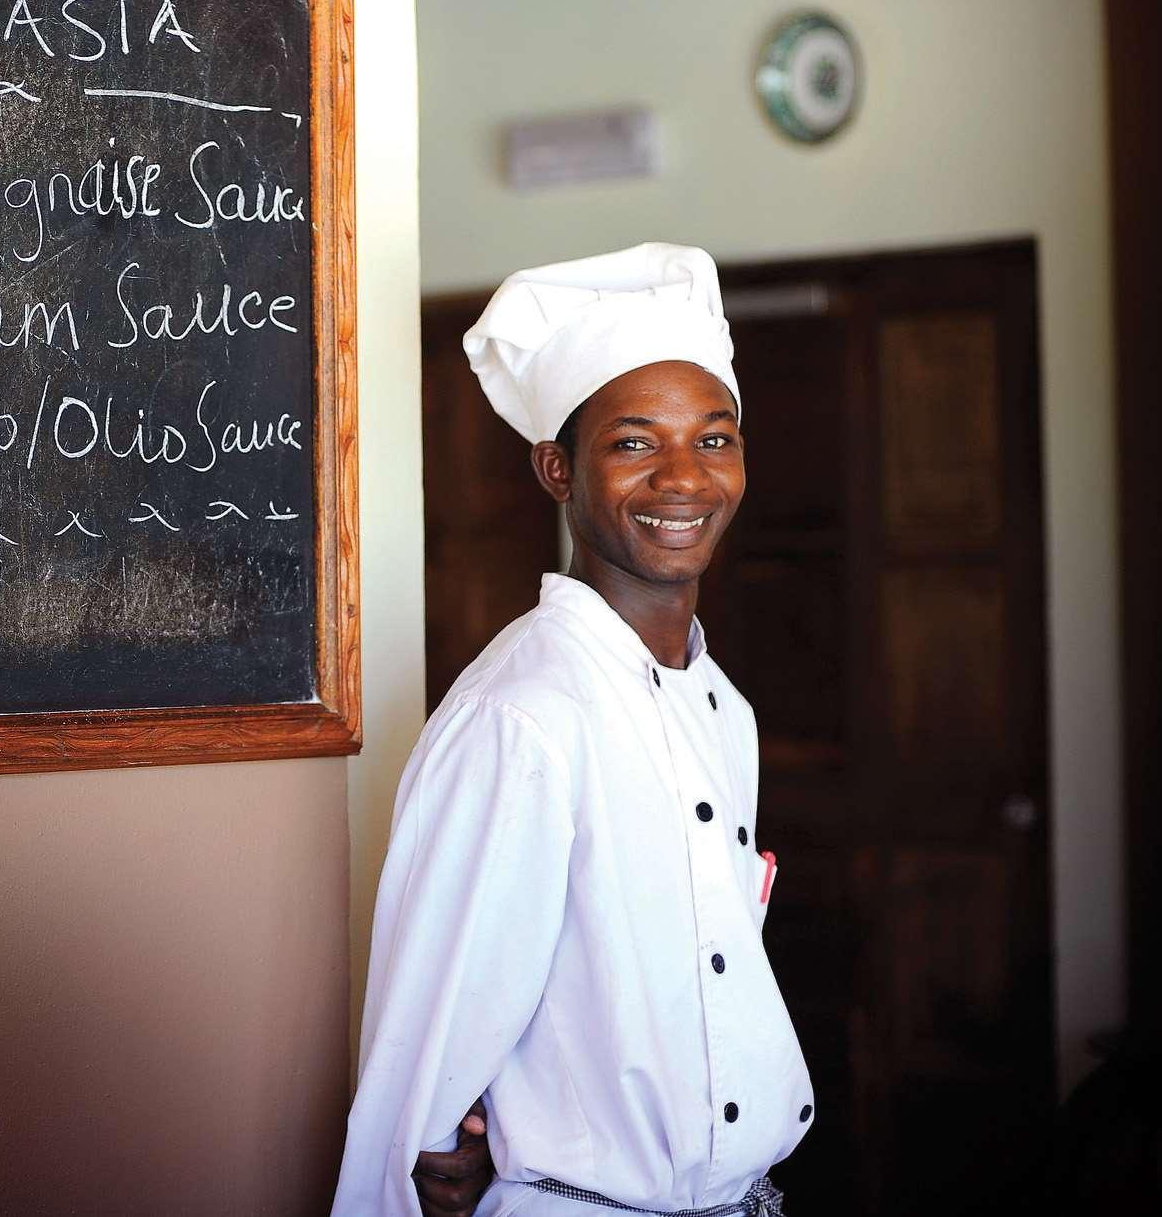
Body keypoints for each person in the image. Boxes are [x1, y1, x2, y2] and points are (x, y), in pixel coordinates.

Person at [333, 243, 811, 1217]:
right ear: (556, 469)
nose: (685, 479)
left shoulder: (723, 708)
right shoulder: (523, 719)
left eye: (714, 439)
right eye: (635, 443)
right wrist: (433, 1152)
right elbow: (427, 1047)